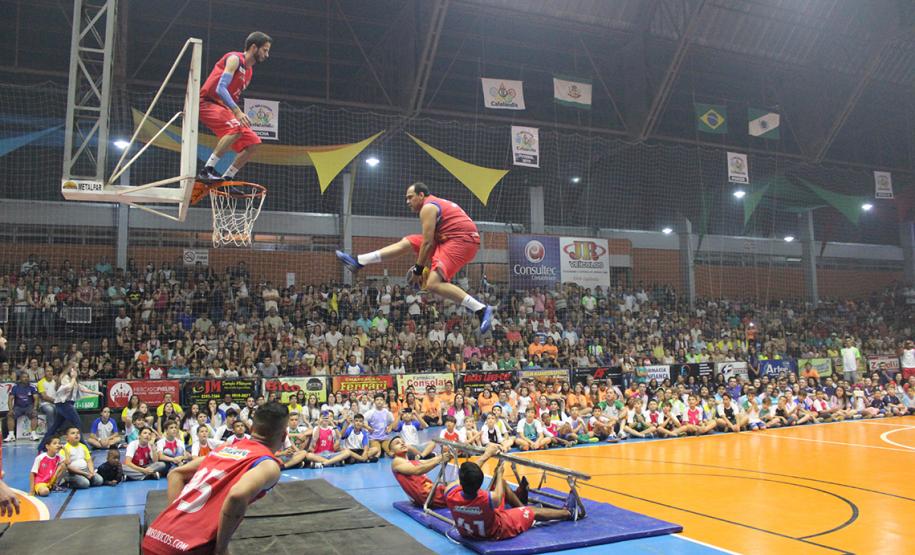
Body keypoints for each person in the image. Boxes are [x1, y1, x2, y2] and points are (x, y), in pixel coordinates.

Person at [336, 182, 494, 334]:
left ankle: (481, 309)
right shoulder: (434, 204)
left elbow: (427, 243)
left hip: (462, 241)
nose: (407, 201)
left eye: (410, 197)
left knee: (433, 284)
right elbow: (428, 242)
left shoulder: (428, 207)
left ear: (421, 195)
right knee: (408, 242)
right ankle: (359, 261)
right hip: (450, 239)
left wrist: (419, 270)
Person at [143, 402, 289, 554]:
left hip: (155, 536)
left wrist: (174, 522)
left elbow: (176, 474)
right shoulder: (268, 465)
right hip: (186, 548)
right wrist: (221, 548)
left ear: (251, 429)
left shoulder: (223, 449)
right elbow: (237, 495)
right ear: (284, 435)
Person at [197, 32, 272, 182]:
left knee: (254, 142)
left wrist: (234, 112)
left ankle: (228, 178)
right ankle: (206, 170)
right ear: (253, 47)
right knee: (236, 128)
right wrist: (237, 112)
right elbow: (220, 88)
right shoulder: (234, 58)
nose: (267, 54)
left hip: (222, 107)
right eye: (265, 50)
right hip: (206, 102)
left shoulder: (249, 73)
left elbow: (231, 96)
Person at [445, 460, 573, 541]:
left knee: (503, 484)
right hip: (496, 530)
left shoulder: (450, 494)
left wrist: (485, 458)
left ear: (461, 482)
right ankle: (568, 512)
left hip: (469, 531)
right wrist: (500, 473)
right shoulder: (486, 498)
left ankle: (521, 504)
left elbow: (459, 482)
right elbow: (499, 495)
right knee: (533, 511)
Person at [391, 438, 501, 509]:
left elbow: (429, 461)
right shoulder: (396, 462)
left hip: (433, 492)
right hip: (430, 496)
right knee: (466, 476)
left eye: (402, 442)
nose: (401, 443)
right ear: (391, 452)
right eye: (397, 443)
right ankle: (487, 455)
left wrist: (451, 452)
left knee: (462, 483)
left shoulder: (410, 462)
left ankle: (487, 453)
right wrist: (441, 459)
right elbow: (419, 470)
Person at [38, 363, 101, 453]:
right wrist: (74, 377)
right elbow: (68, 388)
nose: (77, 369)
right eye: (75, 368)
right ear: (70, 369)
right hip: (64, 405)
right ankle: (84, 448)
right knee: (78, 424)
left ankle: (41, 447)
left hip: (65, 405)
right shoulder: (65, 378)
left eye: (77, 368)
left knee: (55, 427)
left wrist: (96, 392)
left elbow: (81, 388)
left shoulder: (73, 379)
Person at [5, 371, 40, 442]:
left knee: (34, 414)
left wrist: (35, 408)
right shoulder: (15, 387)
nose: (26, 378)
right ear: (20, 378)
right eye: (24, 377)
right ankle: (11, 435)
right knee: (10, 415)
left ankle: (33, 434)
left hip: (29, 406)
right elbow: (10, 399)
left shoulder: (32, 387)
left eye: (27, 377)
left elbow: (36, 399)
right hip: (18, 407)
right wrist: (11, 409)